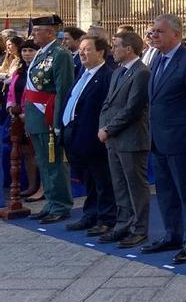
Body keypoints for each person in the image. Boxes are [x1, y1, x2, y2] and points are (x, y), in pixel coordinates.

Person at [140, 14, 186, 263]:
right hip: (158, 139)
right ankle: (172, 234)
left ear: (176, 35)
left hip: (182, 140)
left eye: (159, 31)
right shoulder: (157, 58)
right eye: (152, 31)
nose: (153, 35)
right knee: (166, 192)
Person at [97, 31, 151, 246]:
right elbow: (108, 103)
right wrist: (103, 126)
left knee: (135, 186)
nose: (112, 50)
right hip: (113, 138)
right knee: (119, 185)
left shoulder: (141, 73)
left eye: (116, 46)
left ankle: (139, 228)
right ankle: (122, 225)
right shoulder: (118, 71)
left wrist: (109, 129)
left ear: (128, 49)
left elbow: (133, 108)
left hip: (131, 138)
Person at [61, 36, 116, 234]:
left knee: (102, 180)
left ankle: (107, 218)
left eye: (87, 49)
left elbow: (107, 108)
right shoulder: (83, 73)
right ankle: (90, 214)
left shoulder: (107, 76)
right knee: (89, 180)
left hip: (94, 137)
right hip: (76, 135)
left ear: (100, 52)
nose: (82, 53)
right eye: (81, 49)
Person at [23, 14, 74, 224]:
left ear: (50, 32)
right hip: (36, 115)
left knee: (54, 163)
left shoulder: (60, 54)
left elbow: (63, 89)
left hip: (48, 114)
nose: (33, 35)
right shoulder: (42, 53)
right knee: (43, 162)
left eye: (37, 31)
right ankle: (51, 202)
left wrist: (58, 120)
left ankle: (61, 204)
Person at [10, 39, 40, 199]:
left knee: (38, 152)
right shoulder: (19, 71)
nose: (27, 54)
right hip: (18, 116)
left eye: (31, 50)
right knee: (26, 152)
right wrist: (11, 107)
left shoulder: (40, 70)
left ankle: (42, 187)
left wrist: (28, 113)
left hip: (34, 115)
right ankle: (31, 185)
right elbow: (11, 92)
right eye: (24, 51)